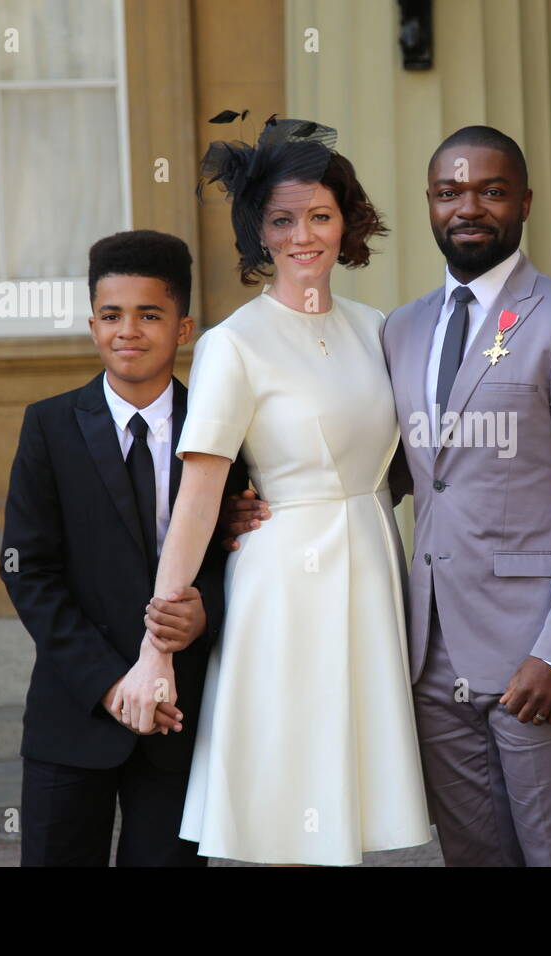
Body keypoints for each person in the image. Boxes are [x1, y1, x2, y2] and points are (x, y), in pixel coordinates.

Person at [110, 116, 432, 866]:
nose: (303, 236)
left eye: (320, 216)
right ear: (258, 231)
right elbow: (197, 495)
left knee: (352, 796)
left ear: (345, 221)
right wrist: (156, 645)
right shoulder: (232, 344)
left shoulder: (374, 327)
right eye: (282, 220)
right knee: (292, 791)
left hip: (372, 560)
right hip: (285, 583)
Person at [387, 126, 551, 866]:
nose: (469, 207)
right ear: (429, 204)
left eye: (490, 191)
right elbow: (393, 471)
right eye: (449, 192)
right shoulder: (401, 329)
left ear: (523, 202)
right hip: (432, 655)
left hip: (534, 651)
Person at [0, 229, 247, 866]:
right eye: (112, 315)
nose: (128, 330)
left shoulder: (222, 431)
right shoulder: (49, 426)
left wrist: (206, 612)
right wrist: (111, 685)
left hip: (178, 721)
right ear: (91, 325)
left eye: (149, 314)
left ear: (184, 327)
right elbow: (29, 570)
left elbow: (237, 554)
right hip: (74, 713)